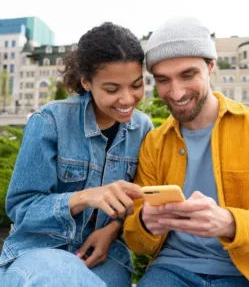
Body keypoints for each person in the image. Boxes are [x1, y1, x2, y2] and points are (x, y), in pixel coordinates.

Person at [124, 17, 249, 287]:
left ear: (211, 67)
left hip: (246, 273)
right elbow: (136, 239)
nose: (176, 92)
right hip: (170, 271)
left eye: (188, 75)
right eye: (163, 80)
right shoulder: (153, 143)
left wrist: (230, 223)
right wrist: (144, 222)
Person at [0, 22, 153, 287]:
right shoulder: (51, 121)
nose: (128, 99)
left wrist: (112, 229)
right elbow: (21, 209)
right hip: (40, 249)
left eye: (136, 85)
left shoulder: (143, 129)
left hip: (105, 255)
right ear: (86, 82)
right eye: (112, 89)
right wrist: (82, 198)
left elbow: (139, 202)